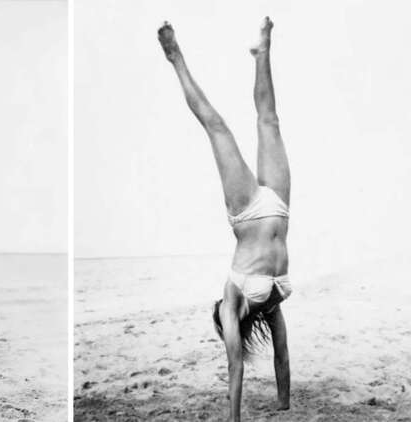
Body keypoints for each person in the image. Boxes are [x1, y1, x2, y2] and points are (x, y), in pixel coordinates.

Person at [158, 17, 291, 421]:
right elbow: (278, 359)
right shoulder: (268, 308)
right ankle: (262, 52)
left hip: (248, 212)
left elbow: (238, 368)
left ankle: (176, 58)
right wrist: (284, 405)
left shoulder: (232, 299)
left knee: (219, 128)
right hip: (279, 208)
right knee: (269, 122)